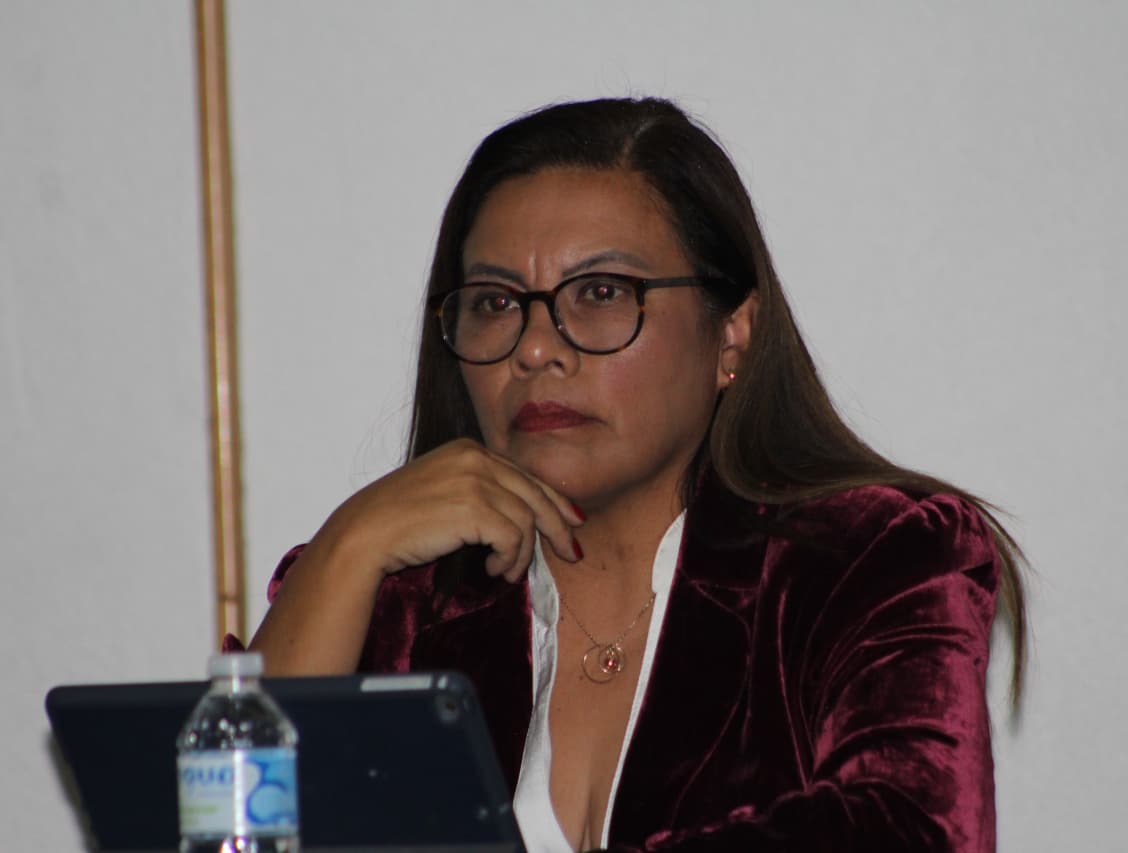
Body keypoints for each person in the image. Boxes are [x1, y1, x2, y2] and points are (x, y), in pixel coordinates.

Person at [236, 97, 1028, 853]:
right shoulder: (396, 597)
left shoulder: (875, 557)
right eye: (495, 302)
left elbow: (913, 830)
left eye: (601, 292)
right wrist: (349, 543)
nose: (535, 348)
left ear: (732, 334)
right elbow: (219, 826)